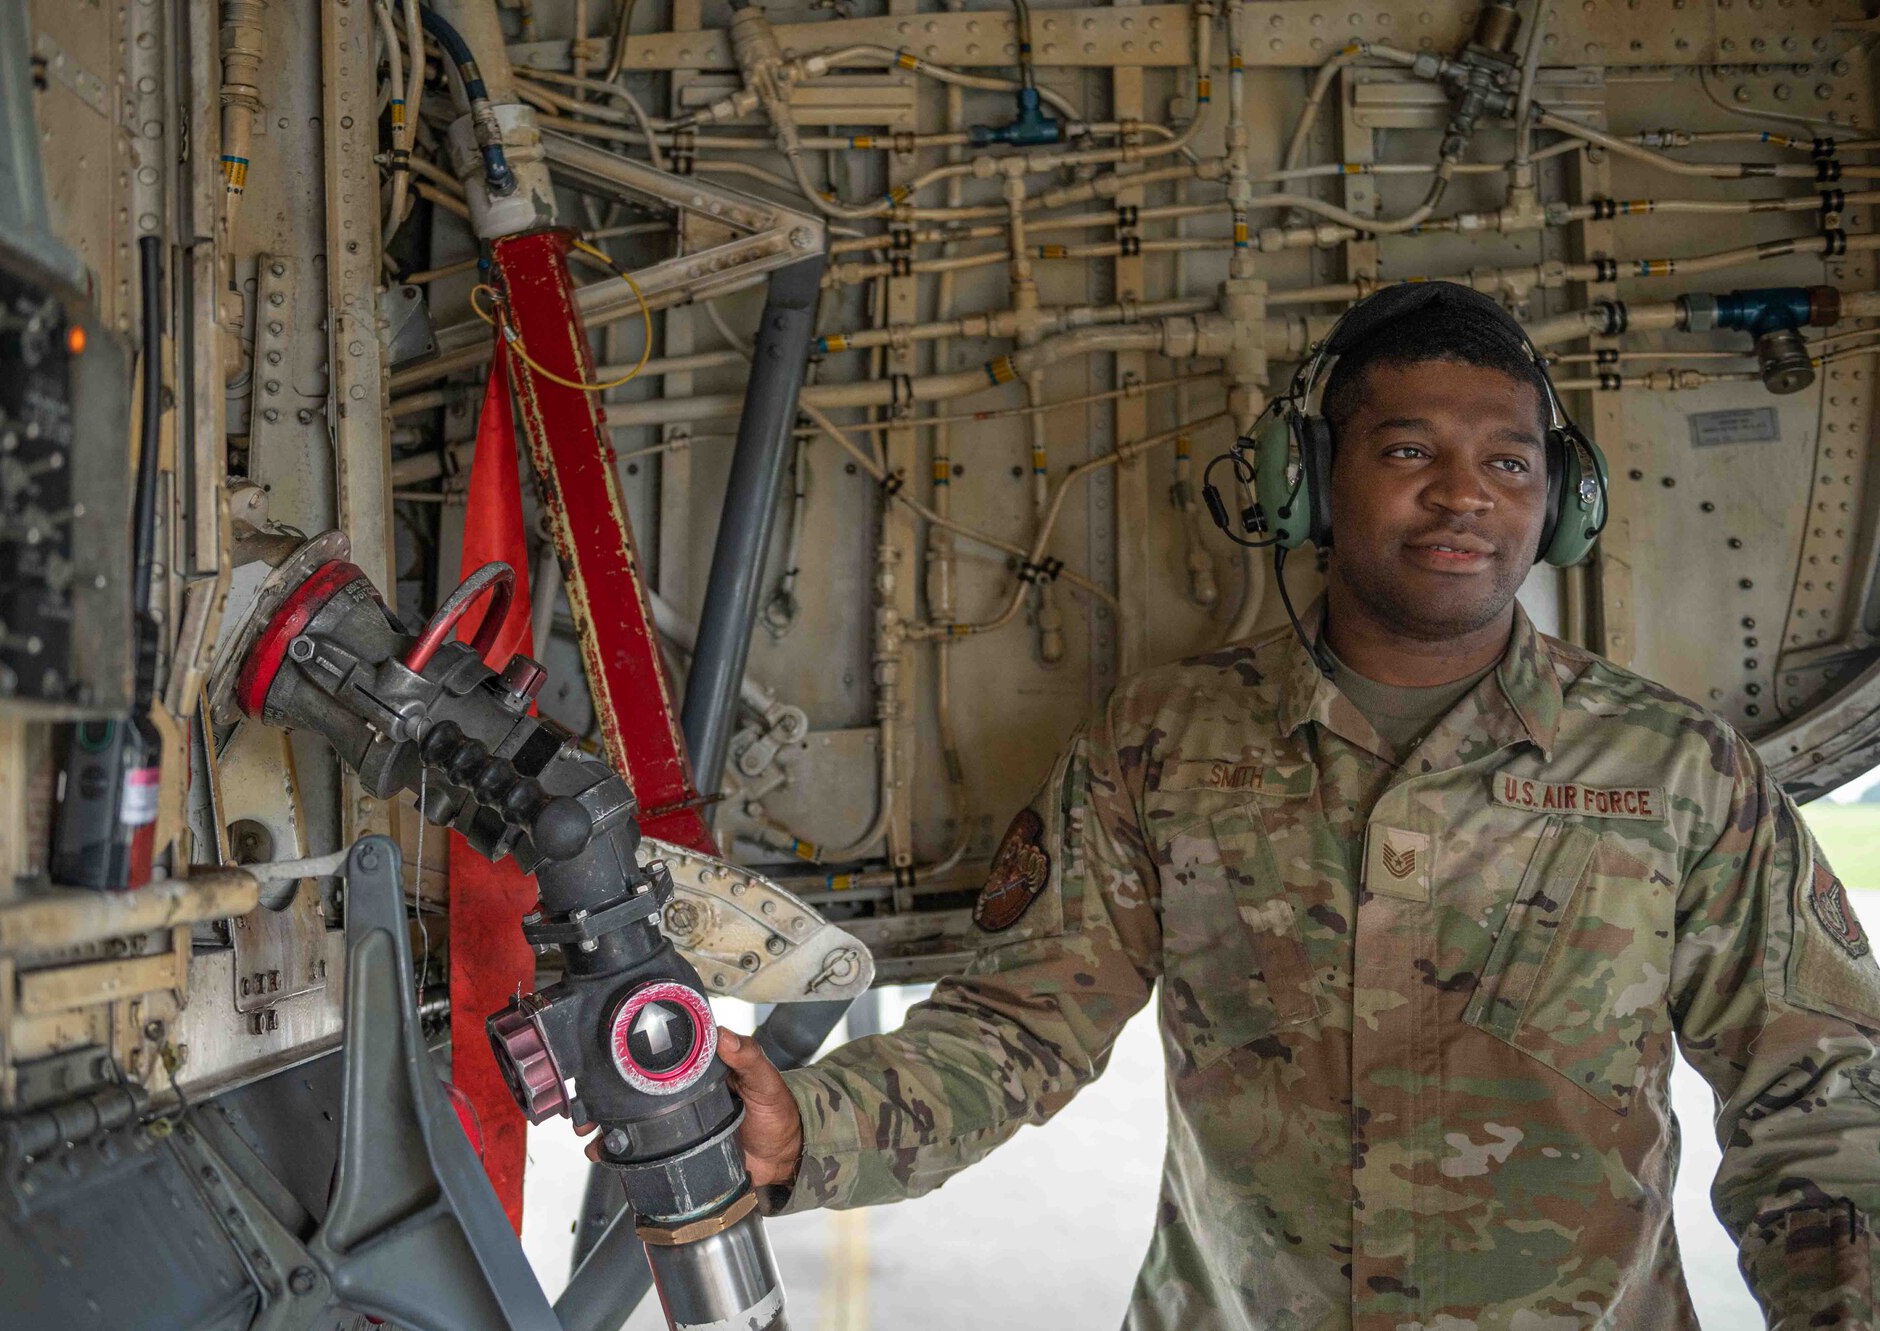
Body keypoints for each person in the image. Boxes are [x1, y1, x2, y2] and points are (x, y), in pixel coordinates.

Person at [705, 282, 1880, 1329]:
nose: (1464, 493)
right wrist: (812, 1123)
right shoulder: (1159, 741)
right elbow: (1019, 1024)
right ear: (1309, 482)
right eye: (1409, 450)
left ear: (1560, 500)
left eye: (1509, 462)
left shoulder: (1681, 770)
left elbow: (1819, 1096)